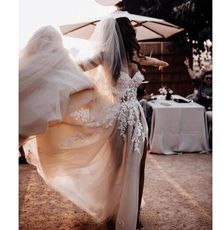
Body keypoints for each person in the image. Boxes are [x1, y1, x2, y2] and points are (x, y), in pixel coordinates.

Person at [20, 17, 168, 230]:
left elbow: (145, 62)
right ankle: (111, 214)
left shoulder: (135, 55)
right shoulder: (105, 55)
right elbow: (78, 67)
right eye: (132, 30)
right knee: (117, 169)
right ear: (125, 33)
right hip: (118, 119)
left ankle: (134, 215)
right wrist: (55, 62)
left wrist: (158, 63)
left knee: (140, 165)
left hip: (137, 117)